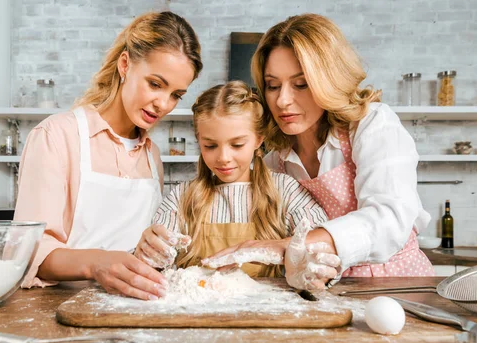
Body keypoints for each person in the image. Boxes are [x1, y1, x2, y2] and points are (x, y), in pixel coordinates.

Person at [210, 13, 434, 288]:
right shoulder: (275, 162)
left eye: (301, 84)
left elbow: (389, 219)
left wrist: (288, 246)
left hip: (400, 286)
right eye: (273, 85)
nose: (282, 100)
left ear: (330, 79)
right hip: (327, 293)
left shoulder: (372, 125)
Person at [13, 11, 203, 300]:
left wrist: (155, 249)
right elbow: (29, 253)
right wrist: (98, 263)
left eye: (176, 95)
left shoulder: (152, 155)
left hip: (133, 311)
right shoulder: (57, 136)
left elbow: (139, 252)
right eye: (155, 84)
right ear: (125, 64)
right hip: (59, 310)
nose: (163, 104)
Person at [135, 81, 337, 280]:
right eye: (210, 146)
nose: (223, 157)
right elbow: (153, 264)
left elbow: (323, 250)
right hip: (197, 310)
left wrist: (311, 268)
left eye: (237, 144)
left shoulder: (285, 191)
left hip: (265, 310)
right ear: (199, 141)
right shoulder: (181, 198)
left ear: (259, 139)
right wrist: (151, 251)